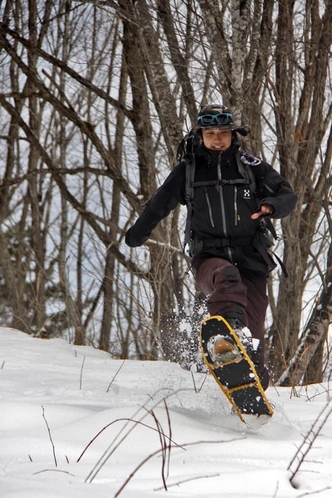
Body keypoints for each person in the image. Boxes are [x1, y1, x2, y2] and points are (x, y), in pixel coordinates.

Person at [125, 104, 297, 389]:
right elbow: (158, 205)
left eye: (223, 133)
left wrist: (271, 205)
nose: (217, 139)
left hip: (252, 258)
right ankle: (226, 339)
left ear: (232, 134)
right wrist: (137, 235)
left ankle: (252, 392)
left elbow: (286, 194)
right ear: (200, 135)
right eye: (211, 133)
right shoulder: (188, 172)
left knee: (255, 345)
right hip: (209, 258)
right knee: (227, 280)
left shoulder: (251, 166)